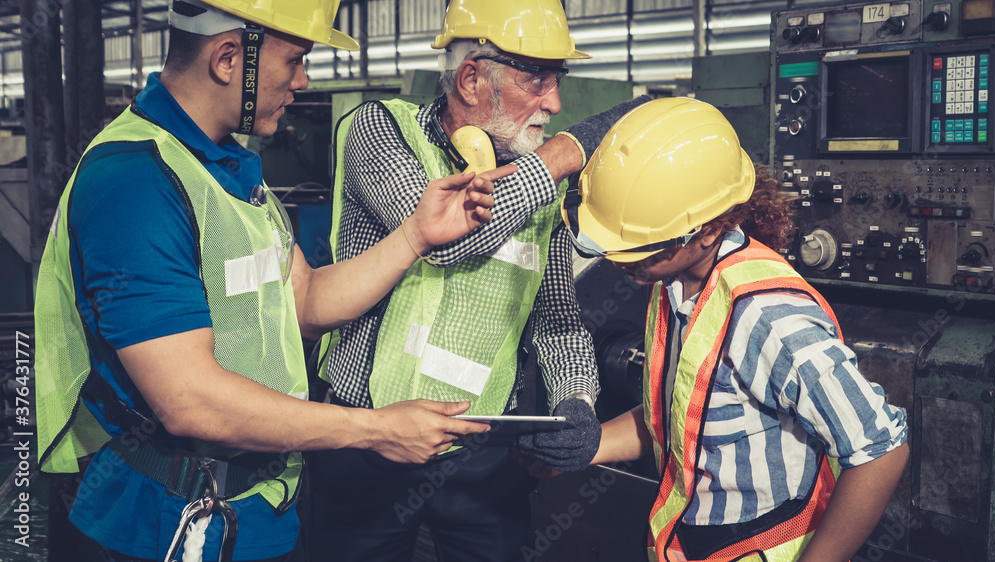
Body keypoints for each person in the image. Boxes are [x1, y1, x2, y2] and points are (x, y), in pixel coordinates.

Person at [32, 1, 503, 560]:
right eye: (296, 60)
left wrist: (415, 237)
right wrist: (375, 429)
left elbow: (302, 300)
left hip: (255, 509)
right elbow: (190, 401)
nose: (302, 81)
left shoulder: (228, 168)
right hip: (166, 523)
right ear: (229, 58)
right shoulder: (134, 180)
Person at [307, 1, 649, 560]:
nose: (555, 103)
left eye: (557, 81)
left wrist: (578, 401)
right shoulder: (380, 131)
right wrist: (564, 155)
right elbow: (450, 239)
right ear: (470, 78)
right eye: (535, 80)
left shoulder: (536, 179)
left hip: (483, 447)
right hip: (369, 438)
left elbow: (558, 313)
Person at [562, 97, 909, 562]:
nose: (618, 259)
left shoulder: (768, 316)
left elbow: (880, 449)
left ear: (707, 230)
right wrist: (583, 447)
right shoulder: (672, 284)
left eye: (637, 245)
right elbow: (675, 417)